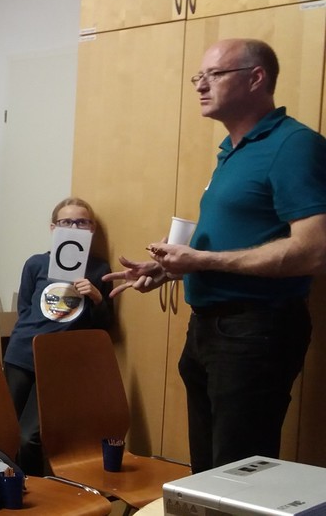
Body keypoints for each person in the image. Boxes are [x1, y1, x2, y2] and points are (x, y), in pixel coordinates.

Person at [104, 39, 326, 473]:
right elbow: (244, 236)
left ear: (256, 78)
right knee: (206, 475)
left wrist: (201, 262)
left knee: (236, 475)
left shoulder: (294, 145)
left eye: (215, 75)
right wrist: (169, 270)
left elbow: (313, 251)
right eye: (198, 77)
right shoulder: (232, 150)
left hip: (255, 332)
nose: (201, 86)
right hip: (208, 330)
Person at [2, 197, 113, 476]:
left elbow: (105, 328)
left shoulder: (99, 270)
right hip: (21, 355)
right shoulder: (36, 264)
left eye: (82, 222)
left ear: (92, 229)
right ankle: (1, 487)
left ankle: (32, 490)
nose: (74, 227)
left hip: (60, 365)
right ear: (53, 228)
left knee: (28, 438)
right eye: (66, 222)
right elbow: (24, 310)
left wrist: (97, 297)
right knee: (3, 431)